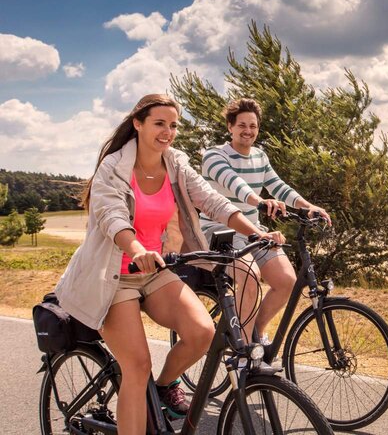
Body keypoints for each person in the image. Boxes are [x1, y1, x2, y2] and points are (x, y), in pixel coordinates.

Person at [54, 94, 284, 435]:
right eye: (159, 123)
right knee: (137, 366)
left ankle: (163, 389)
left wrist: (257, 233)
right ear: (138, 123)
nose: (168, 131)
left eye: (173, 125)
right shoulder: (114, 167)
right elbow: (111, 217)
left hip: (155, 271)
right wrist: (136, 250)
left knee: (202, 332)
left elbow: (211, 199)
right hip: (113, 275)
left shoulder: (174, 162)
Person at [199, 98, 331, 348]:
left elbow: (279, 186)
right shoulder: (214, 156)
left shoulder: (260, 156)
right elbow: (234, 184)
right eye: (242, 125)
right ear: (230, 126)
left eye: (253, 126)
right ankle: (244, 348)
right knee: (250, 276)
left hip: (253, 231)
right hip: (219, 232)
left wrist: (307, 206)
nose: (248, 131)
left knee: (287, 282)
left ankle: (256, 331)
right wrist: (260, 201)